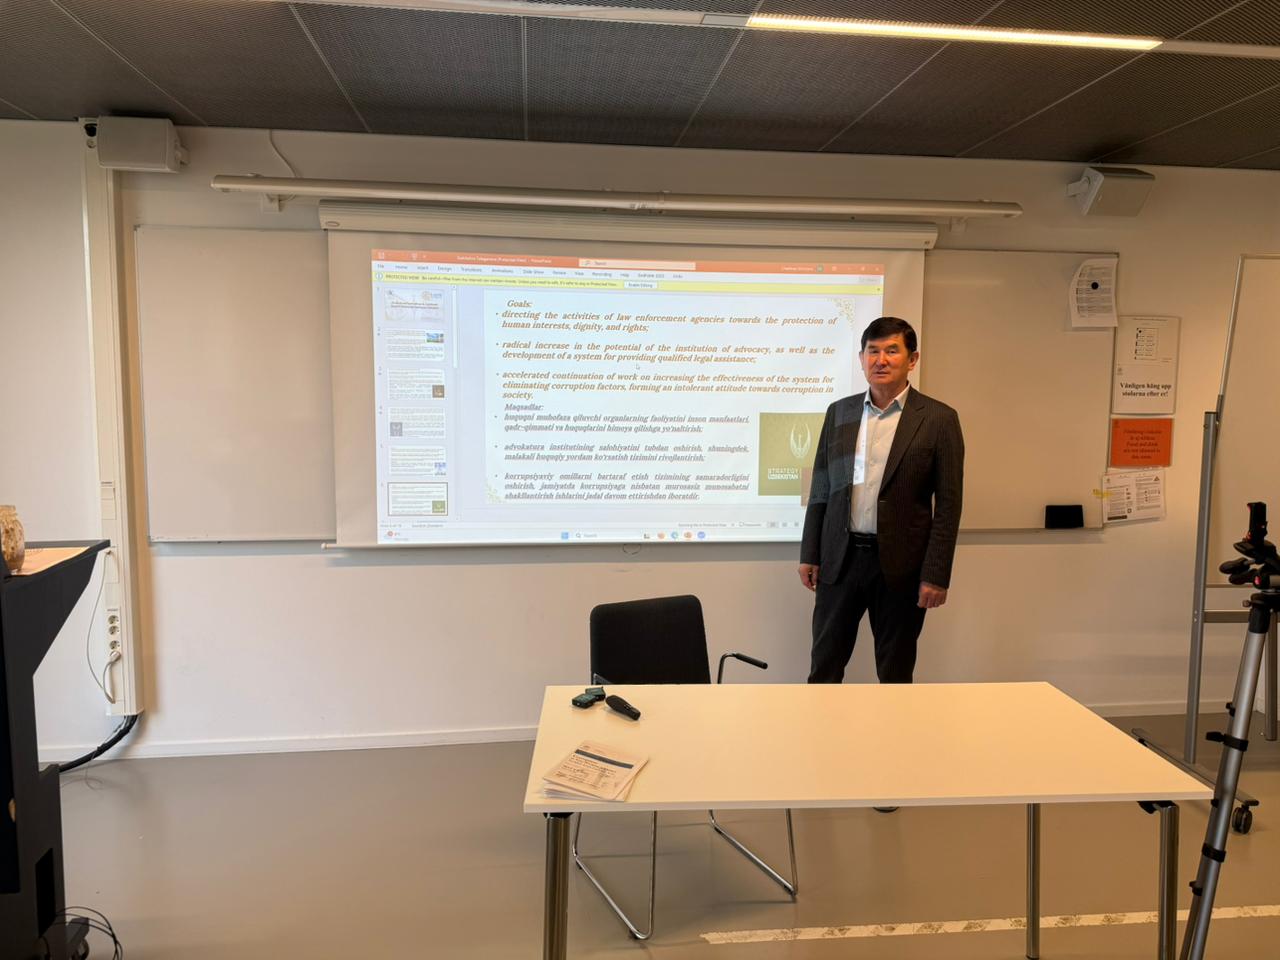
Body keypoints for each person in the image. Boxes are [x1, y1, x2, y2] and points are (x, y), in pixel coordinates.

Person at [798, 316, 963, 686]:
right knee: (824, 665)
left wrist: (936, 574)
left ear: (912, 359)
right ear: (861, 359)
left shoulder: (939, 419)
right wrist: (810, 552)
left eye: (892, 351)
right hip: (840, 561)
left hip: (902, 568)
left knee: (895, 671)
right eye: (873, 351)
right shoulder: (839, 412)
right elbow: (821, 487)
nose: (881, 360)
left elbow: (949, 505)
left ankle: (896, 726)